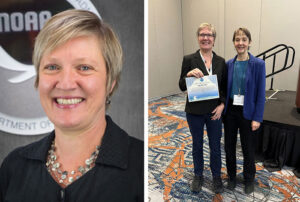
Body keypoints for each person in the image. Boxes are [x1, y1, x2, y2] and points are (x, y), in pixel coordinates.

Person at [0, 9, 143, 201]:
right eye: (52, 67)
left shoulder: (142, 166)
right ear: (38, 79)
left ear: (111, 82)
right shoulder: (14, 167)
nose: (66, 84)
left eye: (84, 68)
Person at [179, 23, 227, 194]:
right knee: (197, 144)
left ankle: (216, 177)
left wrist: (222, 105)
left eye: (209, 35)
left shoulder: (221, 61)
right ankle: (198, 175)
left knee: (215, 146)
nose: (205, 38)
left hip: (214, 112)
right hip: (195, 112)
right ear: (198, 38)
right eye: (202, 34)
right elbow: (181, 86)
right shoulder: (189, 59)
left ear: (214, 39)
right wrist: (188, 75)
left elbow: (224, 88)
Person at [223, 27, 265, 194]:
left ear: (249, 42)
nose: (240, 43)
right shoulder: (228, 64)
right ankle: (232, 177)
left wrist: (257, 118)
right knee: (229, 147)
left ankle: (249, 179)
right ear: (234, 43)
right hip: (231, 111)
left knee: (248, 148)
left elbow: (261, 94)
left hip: (248, 112)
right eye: (237, 39)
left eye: (244, 39)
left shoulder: (258, 64)